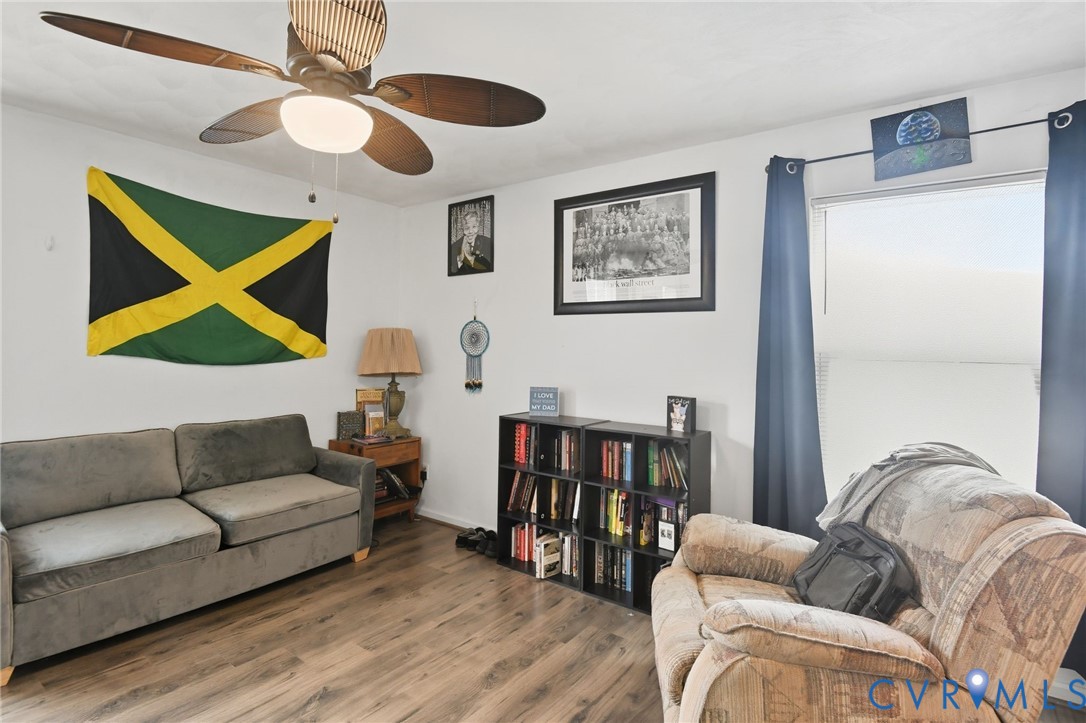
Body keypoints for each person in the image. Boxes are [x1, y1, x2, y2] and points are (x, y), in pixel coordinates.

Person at [451, 210, 493, 274]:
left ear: (478, 227)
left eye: (474, 227)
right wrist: (460, 262)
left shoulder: (488, 242)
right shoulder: (454, 247)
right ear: (462, 229)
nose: (470, 231)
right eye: (467, 228)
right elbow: (453, 271)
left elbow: (488, 268)